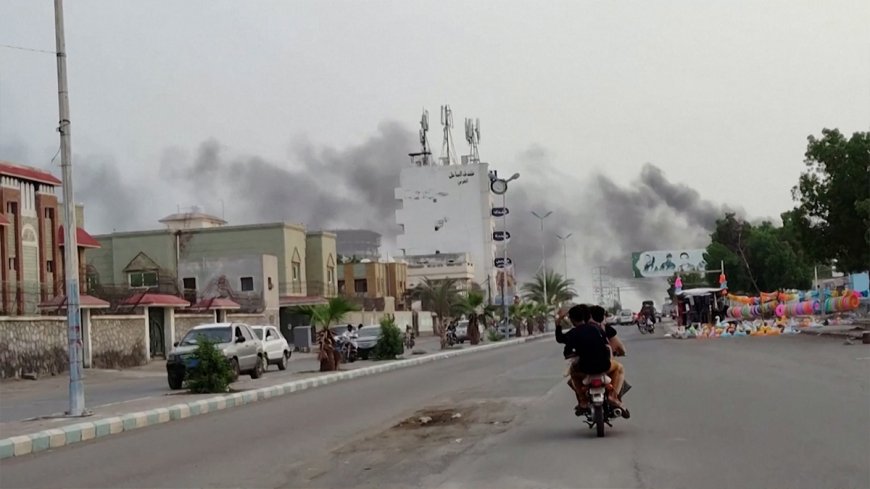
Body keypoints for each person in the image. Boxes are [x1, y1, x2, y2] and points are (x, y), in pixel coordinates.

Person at [556, 304, 629, 418]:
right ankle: (613, 397)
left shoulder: (573, 333)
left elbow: (564, 346)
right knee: (619, 368)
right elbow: (607, 346)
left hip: (584, 368)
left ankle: (583, 400)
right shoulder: (598, 329)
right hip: (604, 366)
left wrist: (558, 322)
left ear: (572, 319)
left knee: (573, 374)